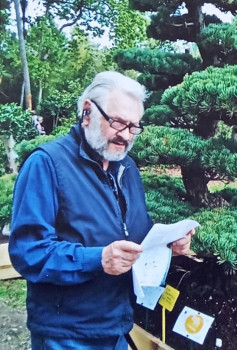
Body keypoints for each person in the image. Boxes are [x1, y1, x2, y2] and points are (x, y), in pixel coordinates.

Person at [9, 71, 195, 350]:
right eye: (118, 123)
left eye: (134, 127)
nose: (125, 136)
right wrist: (98, 259)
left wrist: (168, 244)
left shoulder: (127, 167)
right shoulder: (47, 164)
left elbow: (136, 232)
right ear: (87, 112)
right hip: (67, 333)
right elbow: (28, 252)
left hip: (118, 324)